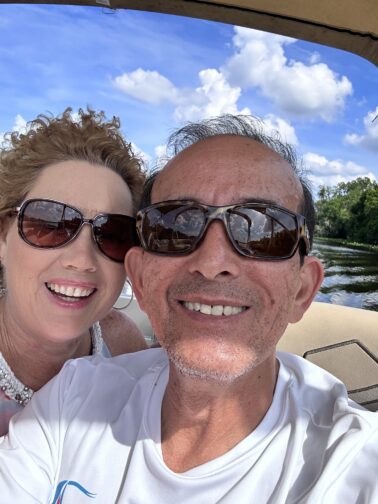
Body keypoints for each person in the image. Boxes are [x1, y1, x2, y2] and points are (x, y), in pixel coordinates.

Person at [1, 115, 377, 503]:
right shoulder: (73, 395)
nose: (213, 262)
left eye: (263, 231)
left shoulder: (353, 462)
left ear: (303, 290)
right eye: (175, 227)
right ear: (142, 279)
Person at [0, 107, 147, 437]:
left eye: (112, 234)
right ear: (3, 237)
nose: (82, 260)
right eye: (49, 224)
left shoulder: (123, 347)